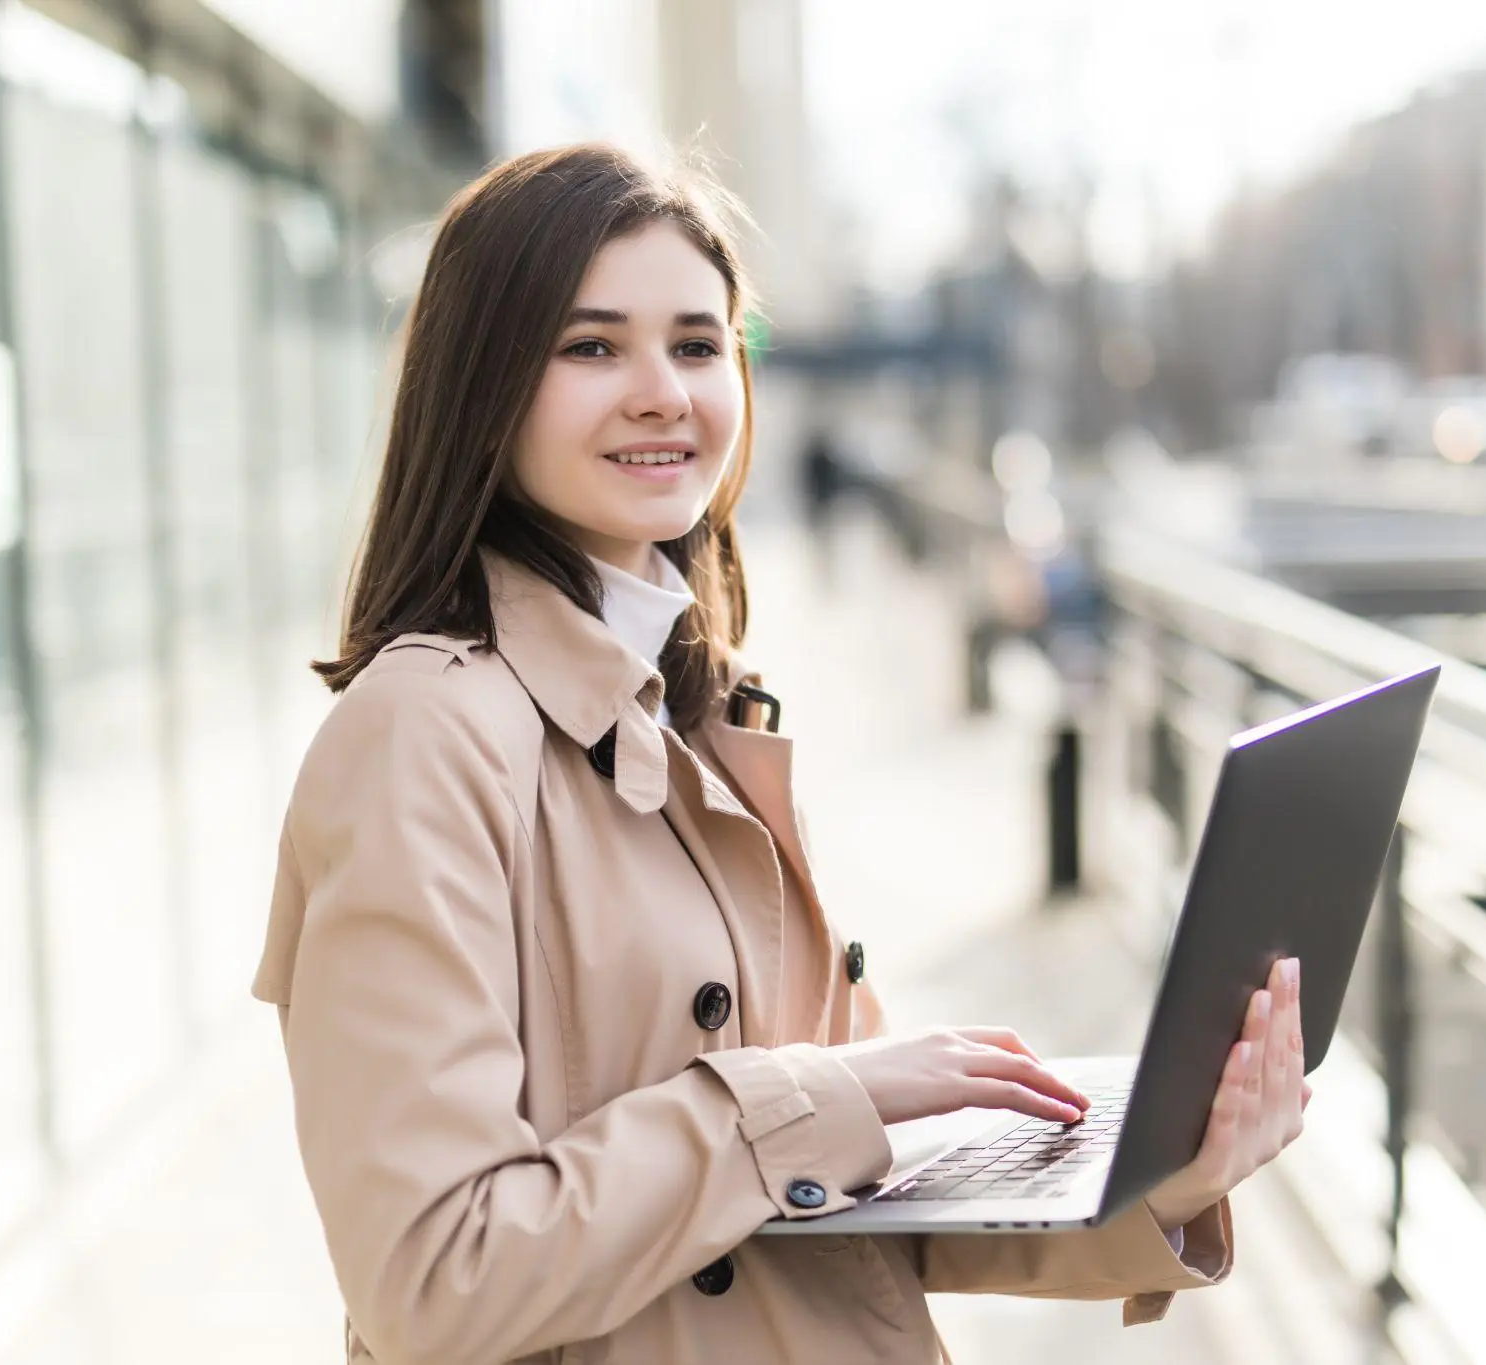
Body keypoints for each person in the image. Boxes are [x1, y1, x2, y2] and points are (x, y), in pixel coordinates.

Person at [253, 143, 1308, 1365]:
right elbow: (432, 1278)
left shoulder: (706, 707)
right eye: (590, 346)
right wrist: (819, 1101)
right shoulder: (422, 734)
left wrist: (1169, 1172)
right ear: (480, 383)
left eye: (697, 345)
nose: (662, 392)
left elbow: (837, 1204)